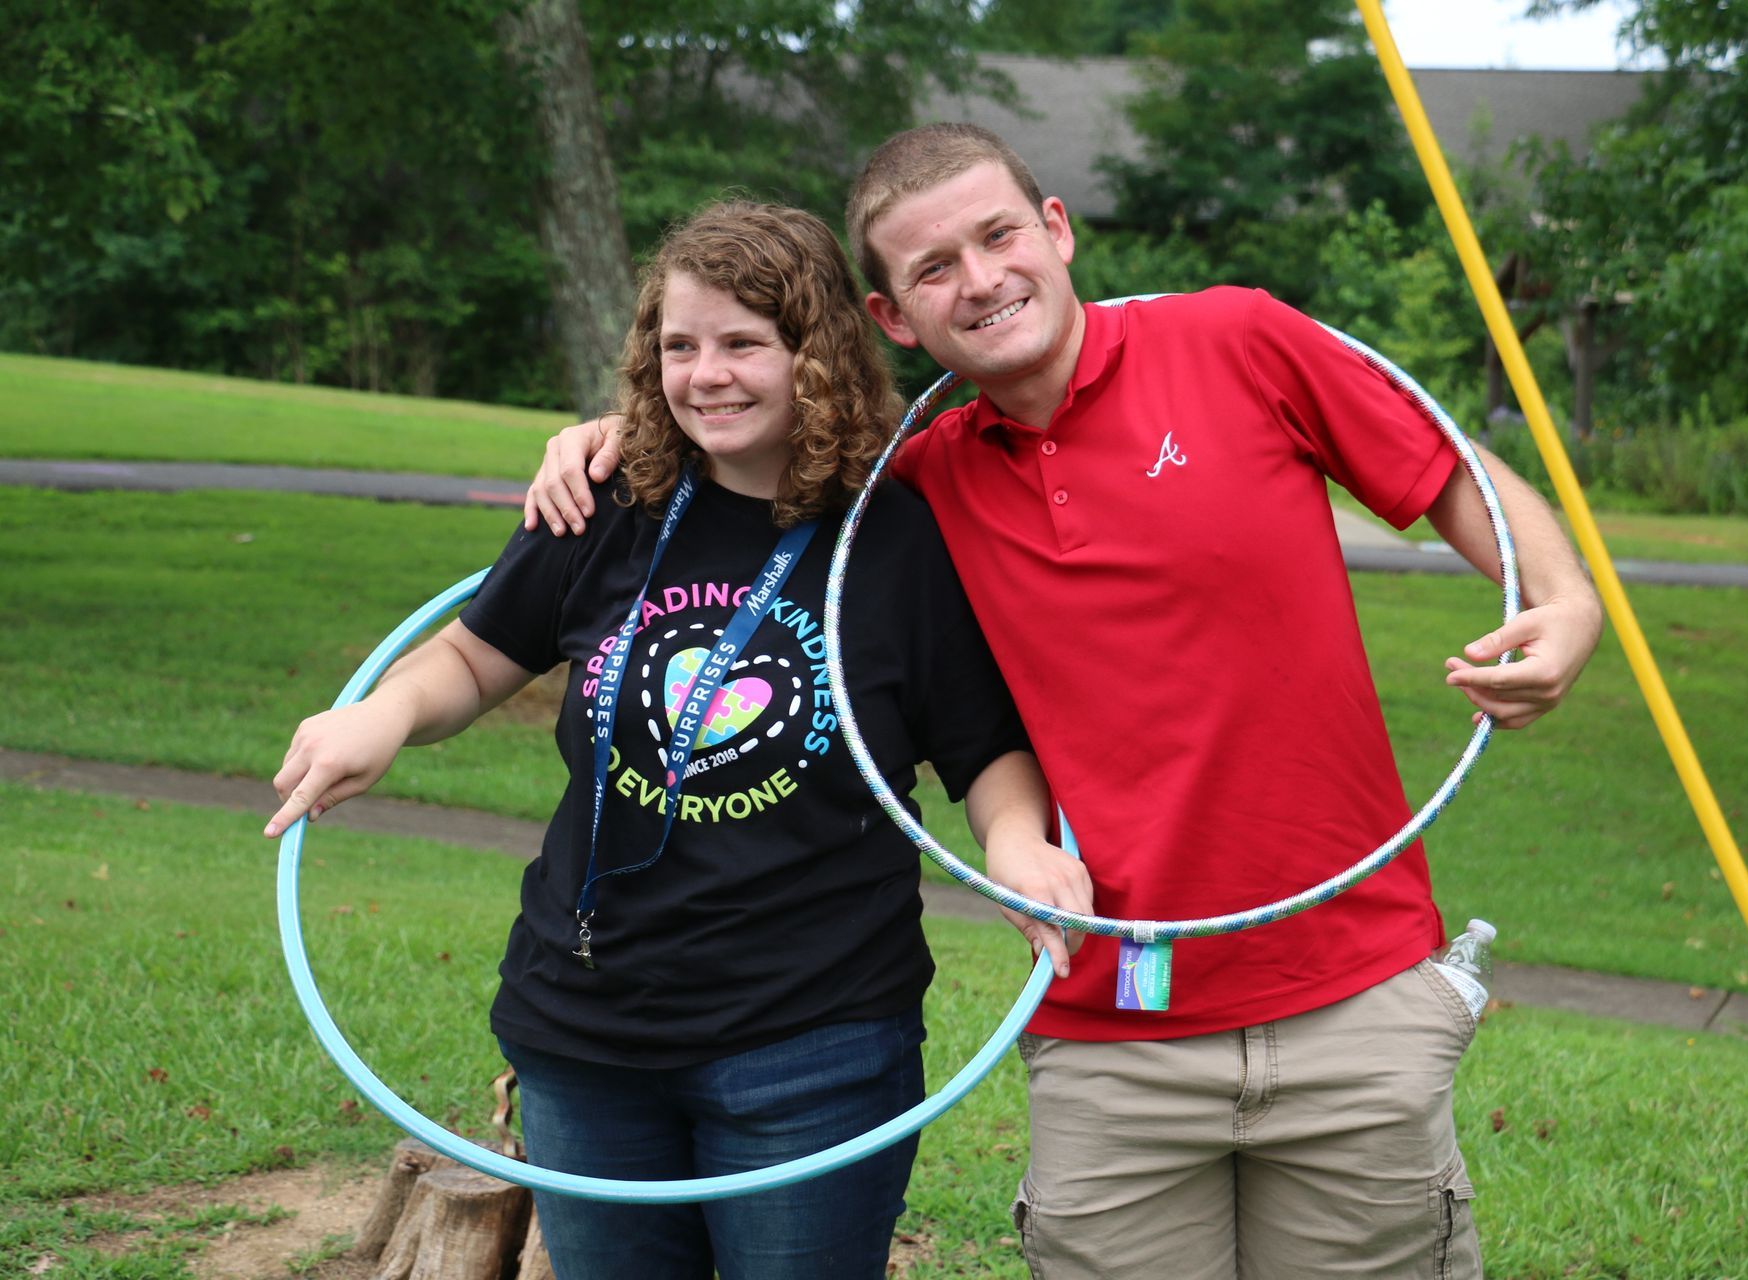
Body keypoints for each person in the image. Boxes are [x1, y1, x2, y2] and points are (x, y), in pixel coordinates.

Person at [523, 126, 1605, 1279]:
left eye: (998, 235)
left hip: (1351, 992)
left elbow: (1448, 468)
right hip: (1105, 1027)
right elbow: (748, 450)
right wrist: (614, 438)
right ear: (894, 317)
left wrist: (1567, 597)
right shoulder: (916, 482)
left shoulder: (1239, 337)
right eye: (933, 268)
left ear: (1056, 229)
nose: (980, 279)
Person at [266, 200, 1065, 1280]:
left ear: (817, 352)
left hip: (813, 1044)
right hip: (584, 1035)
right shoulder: (609, 500)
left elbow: (983, 751)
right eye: (679, 346)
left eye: (744, 343)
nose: (708, 375)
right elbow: (467, 658)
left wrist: (1014, 843)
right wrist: (384, 713)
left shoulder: (895, 535)